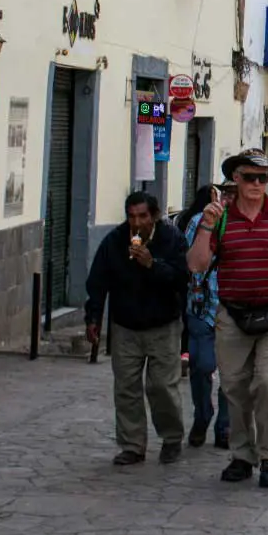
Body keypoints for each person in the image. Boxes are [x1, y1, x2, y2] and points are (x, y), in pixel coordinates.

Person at [188, 149, 268, 489]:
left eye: (263, 177)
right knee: (234, 386)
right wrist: (206, 227)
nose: (257, 184)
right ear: (236, 180)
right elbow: (197, 264)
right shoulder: (221, 218)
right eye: (249, 177)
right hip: (232, 315)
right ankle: (242, 455)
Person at [85, 192, 190, 465]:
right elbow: (98, 280)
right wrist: (93, 317)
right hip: (125, 325)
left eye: (142, 216)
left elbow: (182, 278)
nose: (136, 222)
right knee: (126, 387)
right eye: (131, 216)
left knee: (162, 387)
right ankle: (132, 444)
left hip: (163, 324)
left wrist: (152, 265)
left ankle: (171, 438)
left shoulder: (171, 239)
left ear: (153, 215)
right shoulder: (115, 241)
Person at [177, 184, 232, 450]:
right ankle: (202, 415)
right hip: (202, 307)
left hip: (236, 310)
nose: (230, 198)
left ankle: (225, 426)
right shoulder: (200, 221)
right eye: (227, 193)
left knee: (232, 373)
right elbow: (185, 261)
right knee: (201, 366)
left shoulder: (250, 226)